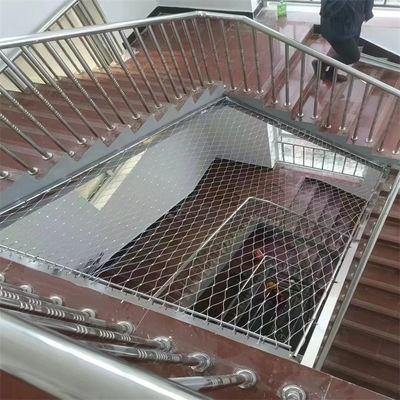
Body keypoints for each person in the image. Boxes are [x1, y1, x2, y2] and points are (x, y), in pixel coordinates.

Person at [313, 0, 374, 82]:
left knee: (344, 52)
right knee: (353, 57)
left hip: (354, 21)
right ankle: (321, 64)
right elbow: (326, 10)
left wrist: (367, 11)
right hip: (337, 27)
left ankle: (331, 73)